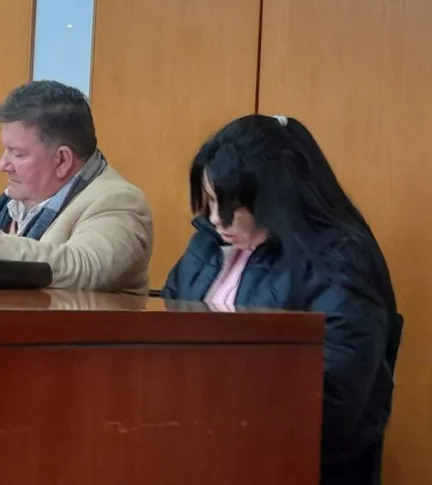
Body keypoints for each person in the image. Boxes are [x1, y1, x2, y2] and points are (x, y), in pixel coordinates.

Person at [162, 114, 400, 485]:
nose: (216, 220)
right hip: (196, 442)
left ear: (275, 197)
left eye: (229, 205)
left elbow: (335, 398)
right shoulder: (206, 246)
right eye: (209, 202)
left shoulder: (339, 261)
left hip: (283, 459)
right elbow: (163, 332)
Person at [0, 80, 153, 292]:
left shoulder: (118, 201)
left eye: (18, 154)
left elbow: (84, 267)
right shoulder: (14, 202)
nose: (3, 164)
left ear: (62, 160)